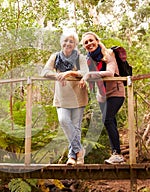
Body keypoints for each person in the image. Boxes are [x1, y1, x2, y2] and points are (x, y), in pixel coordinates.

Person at [41, 30, 88, 165]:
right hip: (62, 97)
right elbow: (45, 71)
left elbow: (85, 72)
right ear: (62, 42)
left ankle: (72, 157)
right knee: (63, 120)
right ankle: (79, 150)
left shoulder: (80, 58)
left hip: (78, 95)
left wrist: (69, 73)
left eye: (71, 41)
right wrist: (57, 76)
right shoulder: (55, 57)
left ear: (75, 44)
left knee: (76, 127)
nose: (68, 43)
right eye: (66, 41)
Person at [81, 31, 125, 164]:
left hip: (116, 92)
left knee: (108, 119)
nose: (89, 44)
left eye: (91, 40)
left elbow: (110, 72)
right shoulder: (88, 60)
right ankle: (117, 154)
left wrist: (89, 75)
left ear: (97, 40)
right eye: (86, 43)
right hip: (102, 96)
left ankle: (116, 153)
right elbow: (82, 73)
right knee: (111, 121)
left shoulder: (108, 53)